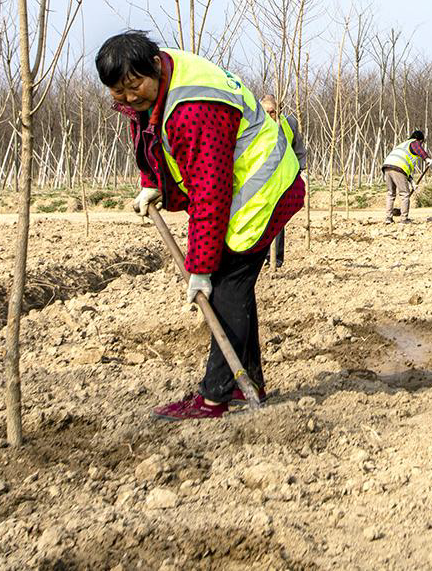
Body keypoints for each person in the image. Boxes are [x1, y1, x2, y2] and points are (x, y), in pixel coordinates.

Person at [98, 30, 303, 420]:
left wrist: (200, 268)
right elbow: (149, 134)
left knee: (226, 285)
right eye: (117, 92)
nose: (128, 98)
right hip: (239, 188)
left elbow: (210, 194)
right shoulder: (160, 81)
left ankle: (215, 397)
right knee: (235, 289)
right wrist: (152, 183)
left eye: (133, 86)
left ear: (154, 66)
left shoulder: (193, 108)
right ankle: (249, 385)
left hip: (258, 192)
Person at [262, 94, 306, 267]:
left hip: (283, 178)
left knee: (278, 218)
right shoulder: (254, 122)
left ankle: (275, 259)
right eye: (266, 112)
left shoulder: (289, 123)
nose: (270, 116)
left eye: (273, 112)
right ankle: (260, 256)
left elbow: (299, 149)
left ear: (279, 111)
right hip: (260, 179)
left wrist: (301, 172)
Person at [381, 129, 432, 224]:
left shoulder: (403, 145)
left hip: (387, 167)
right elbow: (418, 149)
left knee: (390, 194)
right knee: (405, 194)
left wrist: (412, 182)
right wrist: (427, 158)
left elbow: (405, 168)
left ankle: (388, 218)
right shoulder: (414, 143)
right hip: (398, 168)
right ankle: (404, 219)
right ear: (420, 140)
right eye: (421, 142)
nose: (420, 144)